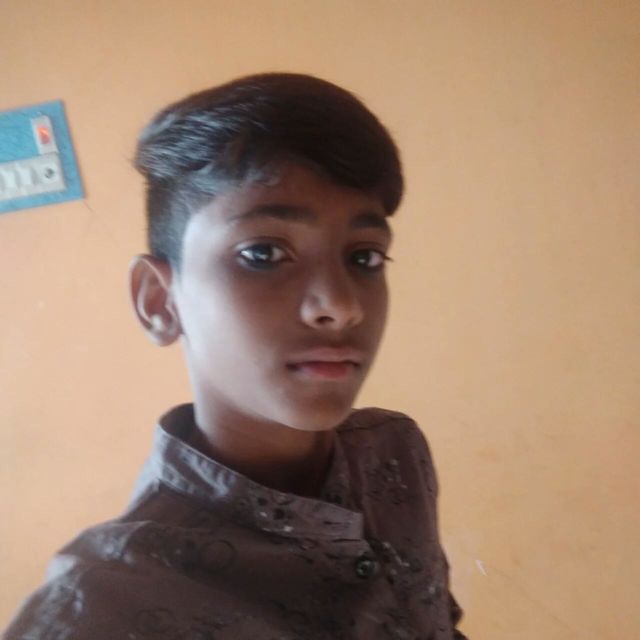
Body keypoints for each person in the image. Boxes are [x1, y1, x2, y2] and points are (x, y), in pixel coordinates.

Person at [4, 73, 468, 639]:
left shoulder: (394, 455)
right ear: (159, 302)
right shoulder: (104, 609)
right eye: (264, 253)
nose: (342, 306)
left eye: (364, 257)